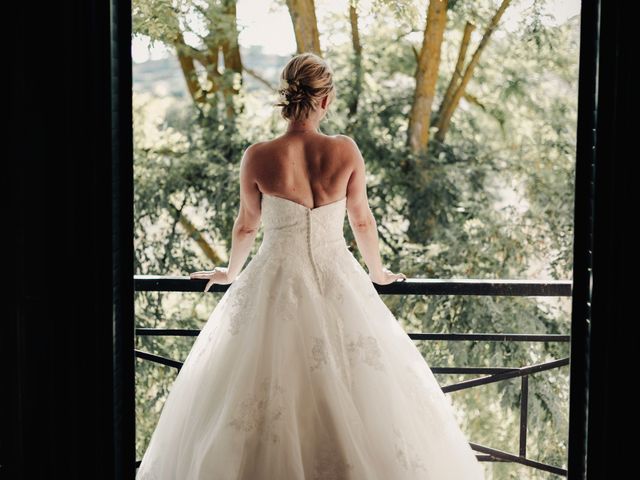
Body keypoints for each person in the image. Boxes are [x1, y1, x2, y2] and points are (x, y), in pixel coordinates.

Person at [137, 52, 485, 479]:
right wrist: (377, 274)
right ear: (325, 100)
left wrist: (229, 273)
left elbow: (246, 227)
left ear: (287, 98)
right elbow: (362, 219)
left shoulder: (259, 156)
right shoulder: (344, 150)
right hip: (339, 277)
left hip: (275, 280)